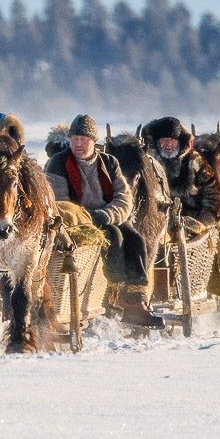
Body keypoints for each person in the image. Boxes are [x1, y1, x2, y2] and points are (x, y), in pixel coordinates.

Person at [45, 115, 158, 327]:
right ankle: (114, 292)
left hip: (107, 216)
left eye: (83, 139)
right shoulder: (58, 163)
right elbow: (59, 202)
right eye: (74, 138)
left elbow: (124, 197)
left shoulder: (109, 162)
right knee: (113, 238)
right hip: (77, 222)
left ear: (93, 141)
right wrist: (87, 217)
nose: (78, 144)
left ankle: (136, 301)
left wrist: (107, 214)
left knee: (135, 239)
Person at [141, 116, 218, 227]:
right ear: (157, 142)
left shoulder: (195, 161)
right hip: (155, 221)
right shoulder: (147, 162)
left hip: (191, 219)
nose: (168, 145)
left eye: (172, 140)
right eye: (164, 140)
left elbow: (213, 194)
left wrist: (202, 222)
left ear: (180, 142)